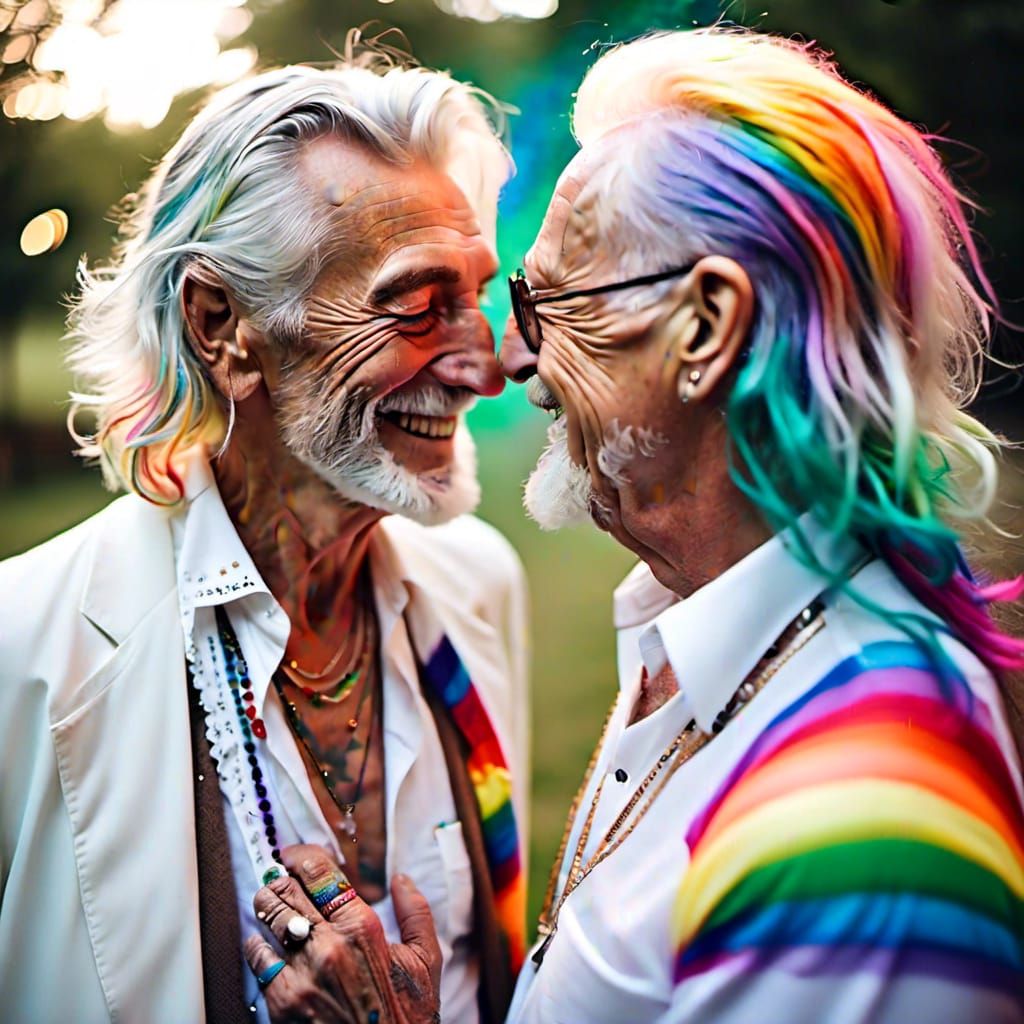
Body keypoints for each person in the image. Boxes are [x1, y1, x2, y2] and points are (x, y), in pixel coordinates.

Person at [245, 26, 1024, 1024]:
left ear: (702, 330)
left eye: (550, 302)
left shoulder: (861, 822)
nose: (510, 361)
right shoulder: (703, 638)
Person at [0, 38, 530, 1024]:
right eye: (417, 307)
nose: (481, 366)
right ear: (219, 323)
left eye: (476, 297)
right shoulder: (22, 646)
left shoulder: (480, 585)